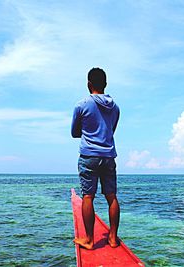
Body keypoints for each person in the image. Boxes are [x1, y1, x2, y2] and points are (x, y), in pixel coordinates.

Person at [71, 67, 120, 250]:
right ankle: (113, 238)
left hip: (89, 155)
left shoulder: (81, 105)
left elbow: (74, 132)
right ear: (105, 84)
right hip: (108, 155)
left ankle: (90, 240)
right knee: (111, 196)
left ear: (88, 84)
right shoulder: (115, 108)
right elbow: (111, 130)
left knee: (88, 197)